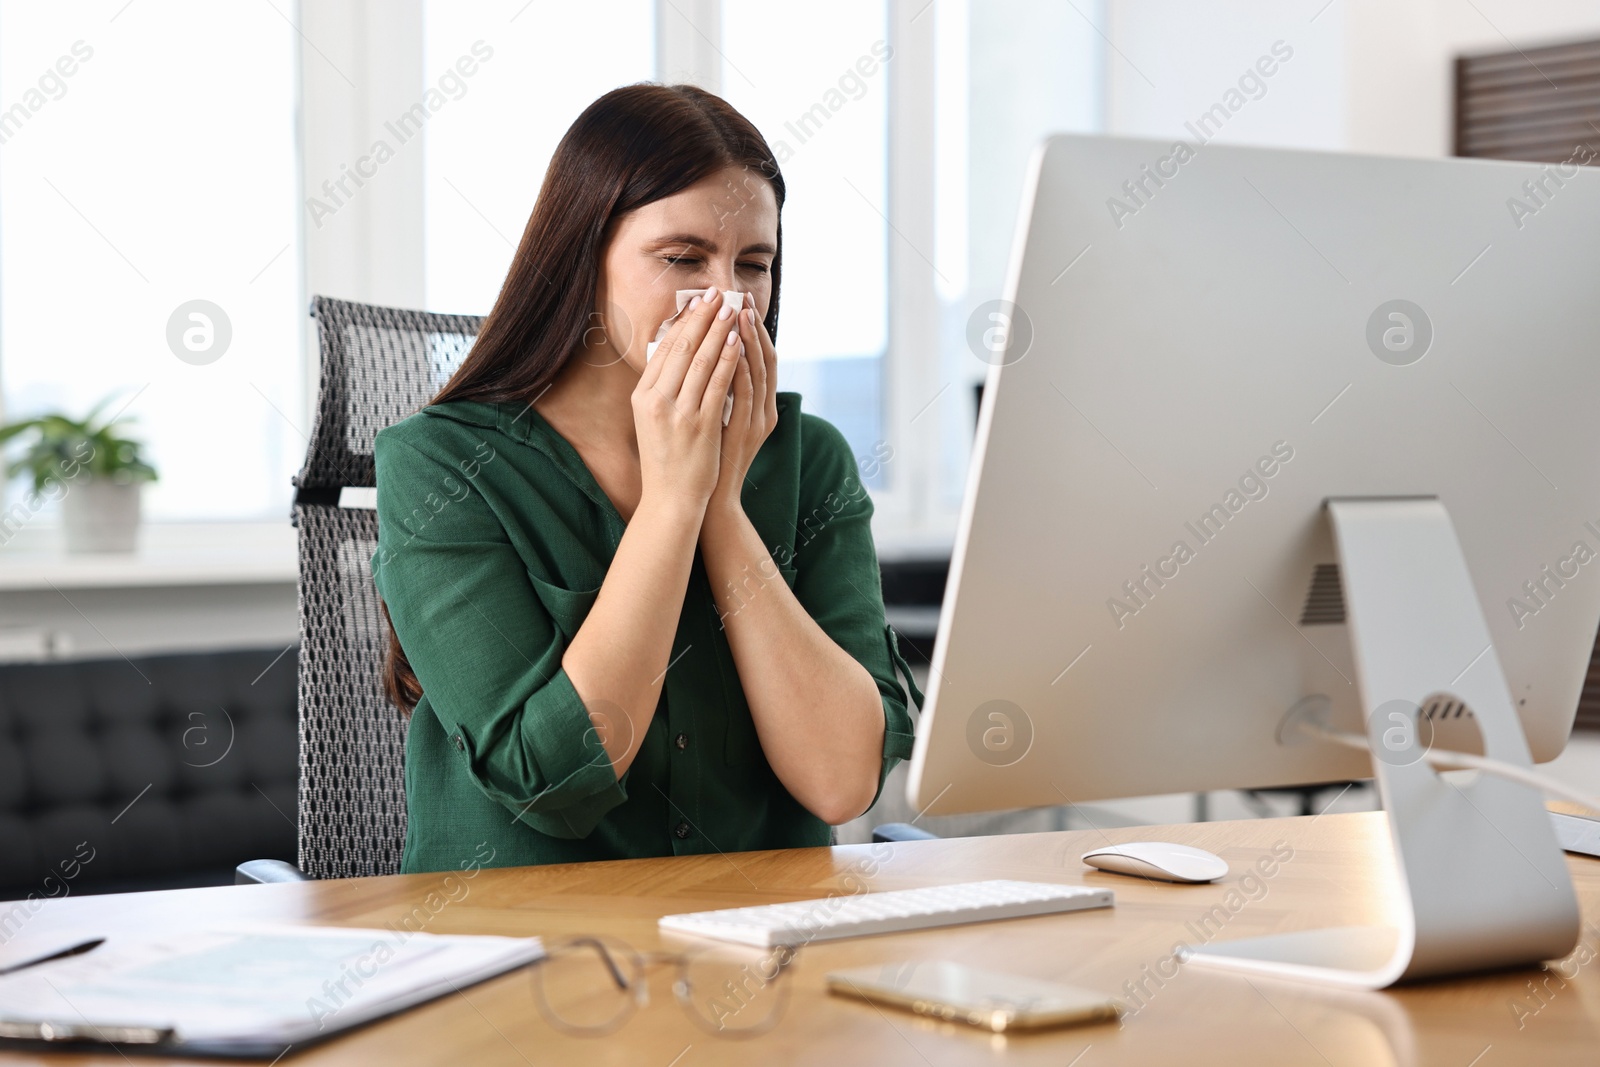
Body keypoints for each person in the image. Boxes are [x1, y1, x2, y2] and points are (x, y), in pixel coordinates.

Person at [370, 83, 921, 872]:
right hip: (521, 960)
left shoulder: (812, 459)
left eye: (754, 264)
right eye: (682, 257)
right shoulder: (440, 464)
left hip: (761, 959)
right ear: (581, 256)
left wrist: (719, 505)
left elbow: (840, 782)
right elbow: (551, 779)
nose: (728, 298)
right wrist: (670, 504)